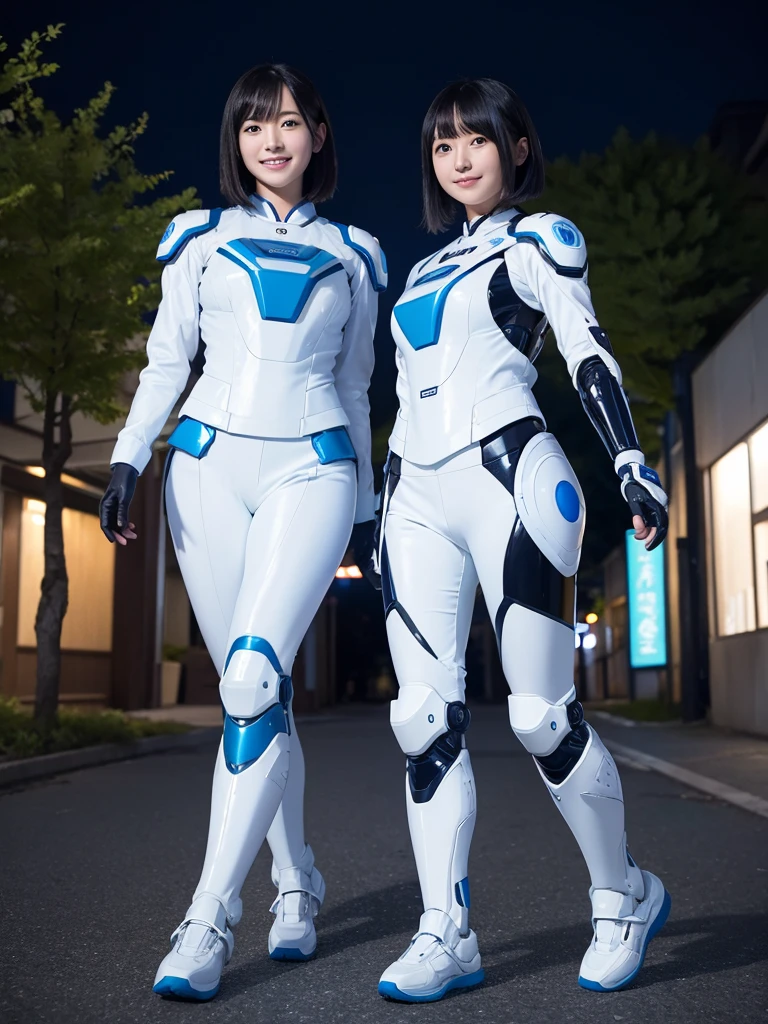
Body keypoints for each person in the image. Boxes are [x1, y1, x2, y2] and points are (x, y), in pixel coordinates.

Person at [376, 78, 670, 1003]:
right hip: (414, 493)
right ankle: (447, 932)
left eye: (478, 140)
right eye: (442, 146)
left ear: (515, 149)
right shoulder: (419, 273)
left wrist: (629, 456)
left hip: (512, 474)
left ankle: (623, 896)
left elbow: (586, 347)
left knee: (540, 715)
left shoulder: (541, 239)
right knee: (422, 717)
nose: (460, 158)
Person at [99, 63, 385, 1001]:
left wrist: (372, 517)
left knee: (256, 674)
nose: (273, 139)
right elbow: (164, 362)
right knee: (250, 698)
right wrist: (129, 460)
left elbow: (357, 391)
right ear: (235, 138)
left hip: (314, 466)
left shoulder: (357, 256)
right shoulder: (196, 240)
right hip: (206, 470)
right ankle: (296, 880)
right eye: (256, 124)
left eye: (292, 122)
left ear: (319, 136)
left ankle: (209, 917)